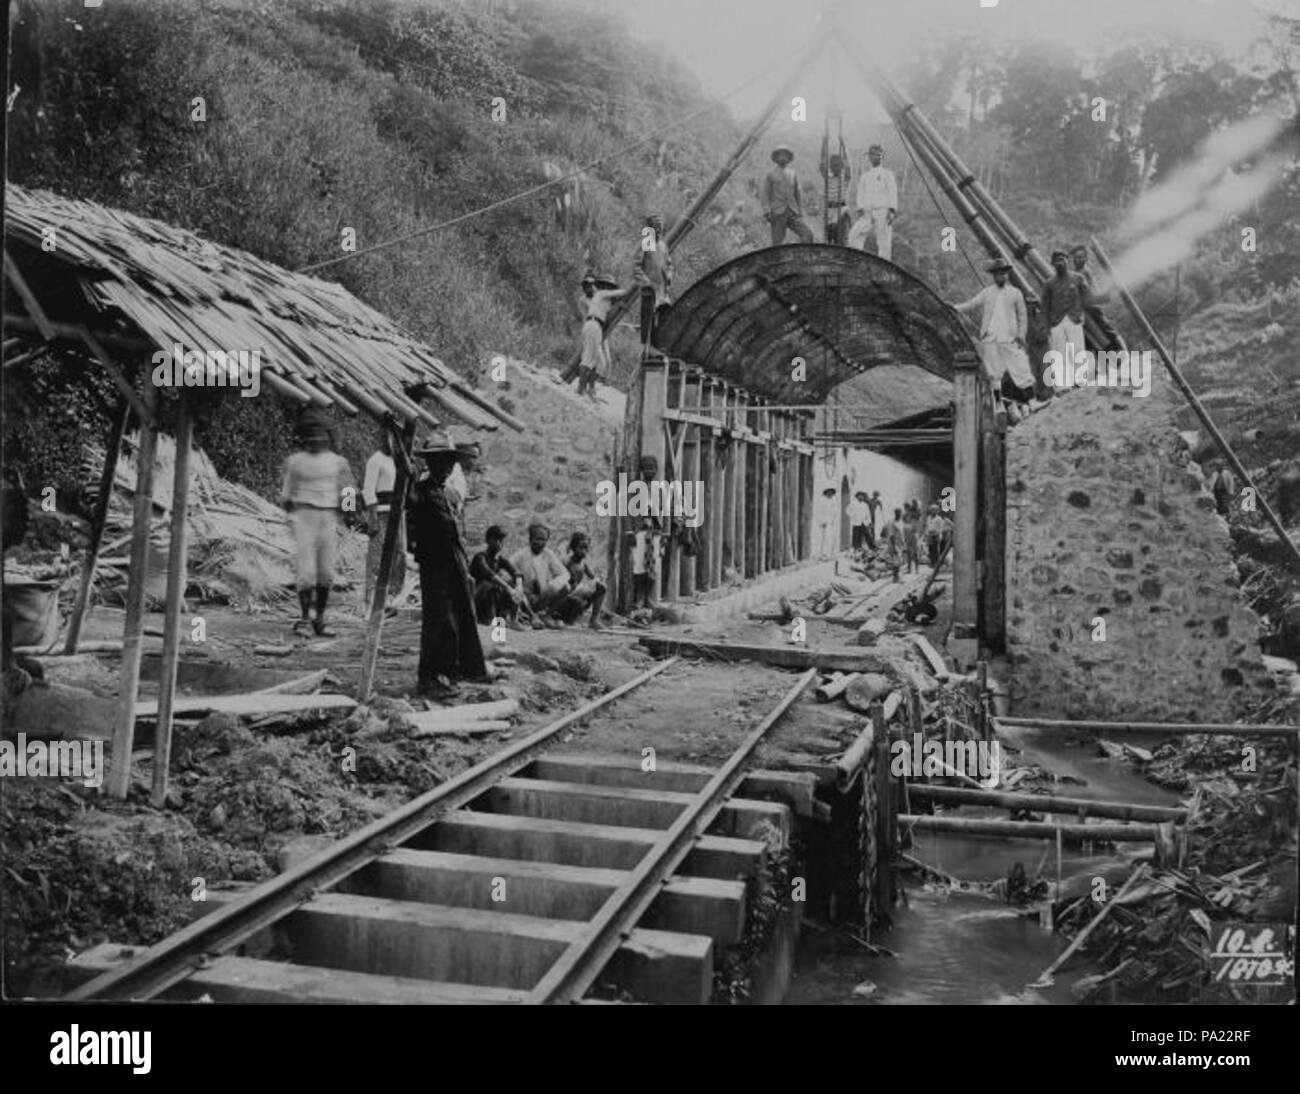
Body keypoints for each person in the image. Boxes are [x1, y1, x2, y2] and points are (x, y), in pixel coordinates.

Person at [407, 433, 486, 698]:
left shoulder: (445, 491)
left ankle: (455, 671)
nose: (446, 468)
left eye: (449, 463)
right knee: (438, 621)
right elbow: (410, 505)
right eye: (440, 463)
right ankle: (430, 678)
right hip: (435, 565)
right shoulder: (420, 491)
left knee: (459, 617)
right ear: (431, 464)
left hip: (453, 562)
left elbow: (453, 530)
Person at [281, 413, 353, 637]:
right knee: (305, 571)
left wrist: (348, 513)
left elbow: (348, 488)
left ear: (327, 437)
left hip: (328, 517)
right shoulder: (295, 462)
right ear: (304, 438)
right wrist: (293, 515)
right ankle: (304, 619)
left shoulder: (338, 462)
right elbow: (286, 494)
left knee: (326, 571)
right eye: (310, 435)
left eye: (320, 434)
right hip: (304, 515)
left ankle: (319, 619)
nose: (315, 439)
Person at [953, 259, 1036, 404]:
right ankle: (998, 405)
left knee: (1021, 367)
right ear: (994, 276)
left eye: (1004, 274)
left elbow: (1022, 316)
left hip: (1009, 338)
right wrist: (954, 308)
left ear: (1007, 275)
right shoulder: (987, 293)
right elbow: (971, 304)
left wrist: (1021, 334)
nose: (1001, 277)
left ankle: (1032, 401)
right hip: (990, 338)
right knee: (994, 373)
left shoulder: (1015, 293)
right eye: (998, 274)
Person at [361, 432, 405, 612]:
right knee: (377, 558)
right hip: (381, 514)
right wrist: (372, 518)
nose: (391, 442)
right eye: (388, 437)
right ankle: (371, 601)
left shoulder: (399, 460)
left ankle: (391, 599)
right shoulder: (376, 460)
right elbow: (368, 490)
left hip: (398, 513)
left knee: (399, 554)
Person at [578, 274, 637, 399]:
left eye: (609, 286)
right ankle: (580, 390)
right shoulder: (601, 293)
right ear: (603, 286)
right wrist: (637, 282)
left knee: (598, 362)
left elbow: (611, 311)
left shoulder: (604, 300)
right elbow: (623, 292)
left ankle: (589, 389)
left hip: (597, 326)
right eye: (606, 285)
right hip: (593, 324)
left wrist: (621, 306)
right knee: (589, 359)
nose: (607, 288)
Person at [1041, 250, 1089, 388]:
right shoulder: (1049, 283)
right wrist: (1045, 325)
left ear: (1067, 261)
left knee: (1078, 350)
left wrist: (1082, 315)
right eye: (1057, 261)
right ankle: (1063, 385)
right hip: (1056, 322)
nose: (1060, 263)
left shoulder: (1078, 278)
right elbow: (1044, 306)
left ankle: (1081, 381)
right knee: (1059, 352)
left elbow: (1087, 298)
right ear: (1053, 264)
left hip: (1074, 319)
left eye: (1062, 260)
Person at [626, 454, 665, 610]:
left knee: (653, 566)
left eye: (653, 468)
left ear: (656, 470)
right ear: (642, 470)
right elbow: (627, 511)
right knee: (639, 566)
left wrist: (665, 535)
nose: (650, 471)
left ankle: (649, 597)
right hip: (640, 531)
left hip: (655, 531)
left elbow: (666, 512)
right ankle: (639, 598)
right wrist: (629, 532)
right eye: (647, 468)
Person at [509, 522, 571, 618]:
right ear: (530, 539)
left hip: (543, 595)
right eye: (538, 539)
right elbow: (505, 570)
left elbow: (565, 574)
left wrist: (552, 586)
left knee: (566, 587)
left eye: (544, 540)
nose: (540, 543)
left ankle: (545, 615)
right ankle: (526, 614)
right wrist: (523, 588)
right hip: (526, 596)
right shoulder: (521, 555)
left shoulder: (548, 554)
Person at [1069, 244, 1125, 352]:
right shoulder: (1078, 272)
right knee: (1101, 333)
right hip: (1087, 307)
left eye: (1081, 257)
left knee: (1107, 331)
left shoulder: (1083, 272)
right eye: (1076, 257)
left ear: (1085, 258)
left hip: (1092, 306)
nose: (1078, 260)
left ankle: (1123, 352)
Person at [470, 524, 526, 625]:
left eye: (501, 541)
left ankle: (513, 619)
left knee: (512, 586)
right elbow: (489, 574)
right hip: (476, 597)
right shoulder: (480, 557)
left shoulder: (500, 559)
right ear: (488, 541)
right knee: (488, 585)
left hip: (492, 594)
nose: (499, 544)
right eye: (496, 540)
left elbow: (516, 572)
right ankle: (489, 617)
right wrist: (508, 588)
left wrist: (519, 586)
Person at [636, 214, 673, 355]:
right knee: (648, 323)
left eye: (660, 227)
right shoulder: (647, 242)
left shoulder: (663, 246)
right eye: (655, 227)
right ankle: (646, 350)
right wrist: (646, 282)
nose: (658, 230)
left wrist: (669, 277)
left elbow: (669, 264)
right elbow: (637, 267)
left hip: (662, 290)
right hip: (649, 290)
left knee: (664, 321)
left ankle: (659, 349)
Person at [853, 145, 898, 261]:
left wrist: (892, 210)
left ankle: (884, 267)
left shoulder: (887, 174)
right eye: (872, 154)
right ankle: (855, 260)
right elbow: (860, 194)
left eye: (877, 154)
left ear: (882, 157)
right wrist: (860, 208)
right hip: (867, 211)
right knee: (854, 235)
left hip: (882, 210)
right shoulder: (865, 176)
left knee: (884, 242)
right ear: (869, 157)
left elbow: (892, 192)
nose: (874, 157)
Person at [762, 146, 814, 245]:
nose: (782, 157)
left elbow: (797, 193)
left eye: (785, 155)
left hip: (792, 211)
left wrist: (800, 211)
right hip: (777, 212)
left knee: (807, 234)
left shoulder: (793, 173)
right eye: (780, 154)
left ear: (788, 158)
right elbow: (765, 193)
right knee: (777, 243)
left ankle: (801, 257)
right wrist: (767, 211)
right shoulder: (770, 174)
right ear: (776, 158)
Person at [558, 532, 607, 629]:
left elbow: (593, 578)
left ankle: (593, 620)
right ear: (573, 548)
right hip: (565, 598)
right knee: (578, 600)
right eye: (581, 548)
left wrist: (598, 580)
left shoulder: (583, 564)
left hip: (577, 593)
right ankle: (569, 622)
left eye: (586, 548)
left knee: (601, 587)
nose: (584, 551)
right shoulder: (566, 562)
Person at [821, 153, 852, 245]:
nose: (836, 167)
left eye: (838, 165)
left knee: (841, 242)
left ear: (841, 166)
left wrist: (843, 145)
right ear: (830, 166)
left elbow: (848, 167)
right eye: (833, 165)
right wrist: (824, 142)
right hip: (829, 213)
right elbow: (822, 164)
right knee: (829, 242)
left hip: (841, 210)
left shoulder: (845, 178)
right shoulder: (827, 178)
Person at [879, 507, 905, 581]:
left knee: (898, 560)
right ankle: (895, 577)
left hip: (899, 543)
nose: (900, 515)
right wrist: (894, 547)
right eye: (899, 513)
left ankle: (897, 576)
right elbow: (891, 536)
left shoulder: (900, 522)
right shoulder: (892, 523)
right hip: (894, 543)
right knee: (896, 561)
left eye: (900, 513)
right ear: (896, 514)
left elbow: (901, 533)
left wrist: (903, 542)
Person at [814, 486, 839, 558]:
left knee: (830, 538)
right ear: (826, 492)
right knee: (822, 539)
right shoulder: (822, 500)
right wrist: (821, 521)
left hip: (830, 521)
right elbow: (818, 511)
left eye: (832, 493)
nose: (830, 494)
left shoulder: (832, 501)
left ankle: (829, 553)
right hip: (823, 522)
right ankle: (821, 554)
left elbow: (834, 511)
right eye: (829, 493)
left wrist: (833, 519)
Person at [924, 503, 947, 567]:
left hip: (935, 535)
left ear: (937, 511)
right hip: (929, 535)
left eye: (934, 510)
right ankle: (932, 562)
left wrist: (936, 534)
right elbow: (927, 526)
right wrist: (926, 534)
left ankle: (936, 563)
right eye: (932, 509)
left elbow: (940, 528)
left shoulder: (939, 519)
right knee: (930, 549)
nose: (932, 511)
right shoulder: (928, 517)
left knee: (935, 550)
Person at [901, 502, 920, 574]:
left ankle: (916, 569)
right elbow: (904, 524)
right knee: (909, 553)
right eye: (905, 508)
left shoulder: (913, 516)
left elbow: (915, 527)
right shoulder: (905, 516)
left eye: (906, 507)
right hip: (908, 535)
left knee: (915, 553)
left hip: (913, 535)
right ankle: (910, 569)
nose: (906, 509)